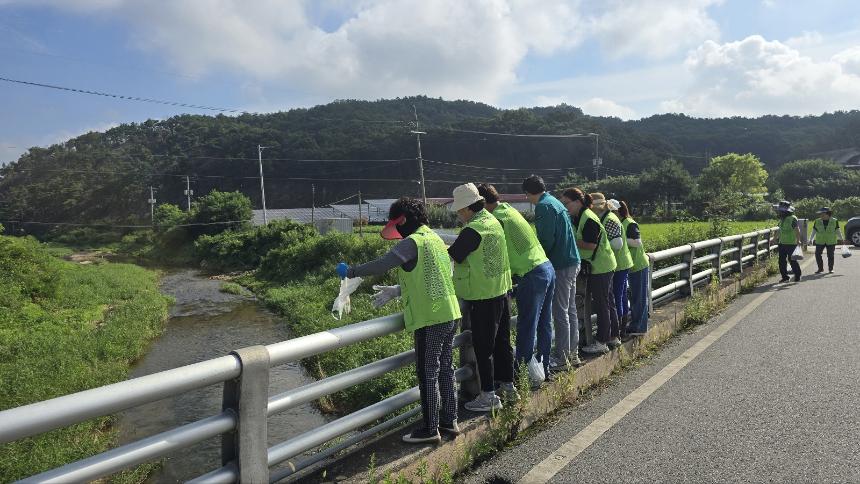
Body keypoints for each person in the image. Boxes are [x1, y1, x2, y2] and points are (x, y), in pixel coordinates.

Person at [336, 198, 461, 444]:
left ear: (402, 221)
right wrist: (398, 289)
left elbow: (384, 263)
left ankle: (430, 429)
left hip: (430, 317)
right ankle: (450, 420)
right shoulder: (434, 239)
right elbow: (431, 275)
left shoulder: (413, 242)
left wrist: (351, 272)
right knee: (445, 368)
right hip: (450, 313)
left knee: (428, 372)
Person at [448, 183, 515, 412]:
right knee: (502, 342)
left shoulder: (473, 229)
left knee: (483, 347)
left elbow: (454, 254)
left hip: (483, 295)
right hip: (501, 290)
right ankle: (508, 386)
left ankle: (488, 395)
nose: (458, 215)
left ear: (467, 208)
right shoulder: (491, 221)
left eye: (459, 210)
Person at [477, 183, 554, 381]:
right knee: (544, 322)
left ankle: (522, 374)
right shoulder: (508, 209)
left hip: (530, 273)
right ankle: (543, 367)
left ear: (483, 202)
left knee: (527, 325)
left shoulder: (496, 219)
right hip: (545, 266)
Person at [522, 175, 583, 371]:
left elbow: (546, 240)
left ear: (529, 193)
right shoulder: (555, 201)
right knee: (570, 310)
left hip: (561, 264)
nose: (527, 199)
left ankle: (563, 356)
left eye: (526, 195)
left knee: (560, 312)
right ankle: (572, 354)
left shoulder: (543, 206)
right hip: (573, 260)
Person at [560, 188, 618, 354]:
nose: (565, 207)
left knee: (602, 305)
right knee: (608, 303)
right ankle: (613, 337)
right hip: (602, 265)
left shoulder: (588, 217)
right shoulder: (582, 216)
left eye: (567, 203)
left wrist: (571, 241)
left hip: (600, 266)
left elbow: (591, 245)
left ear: (578, 202)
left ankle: (602, 342)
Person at [593, 195, 633, 332]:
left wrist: (599, 246)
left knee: (617, 296)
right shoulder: (607, 218)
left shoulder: (609, 220)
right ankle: (621, 329)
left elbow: (617, 244)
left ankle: (620, 330)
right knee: (619, 296)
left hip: (619, 263)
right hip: (620, 262)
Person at [617, 200, 650, 335]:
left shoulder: (629, 223)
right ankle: (636, 325)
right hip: (631, 266)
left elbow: (637, 242)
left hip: (638, 265)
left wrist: (622, 239)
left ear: (618, 211)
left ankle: (639, 327)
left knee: (639, 297)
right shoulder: (622, 223)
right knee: (635, 296)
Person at [774, 200, 802, 283]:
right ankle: (785, 277)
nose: (779, 211)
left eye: (781, 210)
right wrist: (774, 238)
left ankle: (797, 275)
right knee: (781, 261)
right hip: (782, 243)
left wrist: (798, 240)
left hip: (791, 243)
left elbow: (797, 230)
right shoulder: (782, 219)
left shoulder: (793, 218)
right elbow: (779, 230)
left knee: (792, 260)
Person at [811, 207, 844, 274]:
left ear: (828, 214)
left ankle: (830, 269)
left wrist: (841, 239)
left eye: (822, 214)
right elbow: (814, 231)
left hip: (831, 241)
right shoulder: (817, 221)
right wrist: (810, 239)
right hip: (820, 241)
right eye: (820, 214)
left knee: (830, 255)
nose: (820, 215)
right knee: (817, 254)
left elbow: (837, 230)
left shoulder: (834, 221)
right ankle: (820, 269)